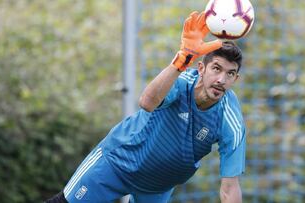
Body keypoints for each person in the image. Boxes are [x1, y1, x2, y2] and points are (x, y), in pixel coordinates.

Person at [45, 10, 246, 203]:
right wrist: (182, 58)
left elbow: (230, 187)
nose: (221, 79)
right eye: (217, 68)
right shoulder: (181, 81)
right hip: (117, 161)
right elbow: (147, 103)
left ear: (235, 78)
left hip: (158, 185)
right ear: (201, 68)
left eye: (230, 73)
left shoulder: (230, 120)